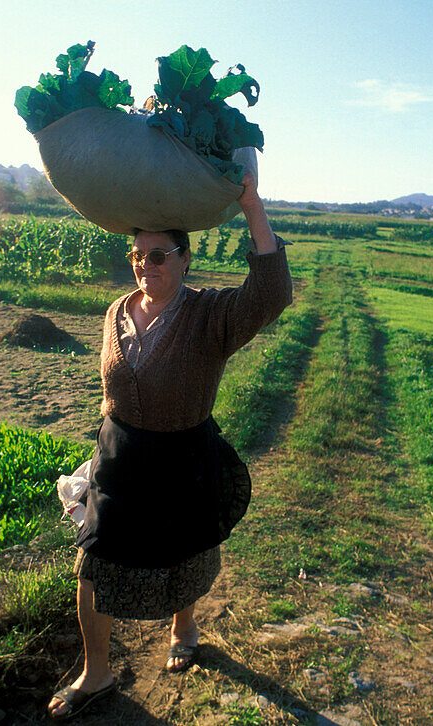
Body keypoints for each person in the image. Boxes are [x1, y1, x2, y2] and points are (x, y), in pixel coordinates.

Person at [47, 173, 292, 720]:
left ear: (185, 260)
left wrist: (251, 205)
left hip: (182, 459)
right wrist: (100, 455)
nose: (145, 265)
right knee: (93, 560)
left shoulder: (212, 315)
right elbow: (116, 390)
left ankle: (184, 625)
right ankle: (98, 673)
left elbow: (273, 294)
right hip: (120, 461)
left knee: (183, 551)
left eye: (158, 255)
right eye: (138, 255)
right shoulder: (116, 311)